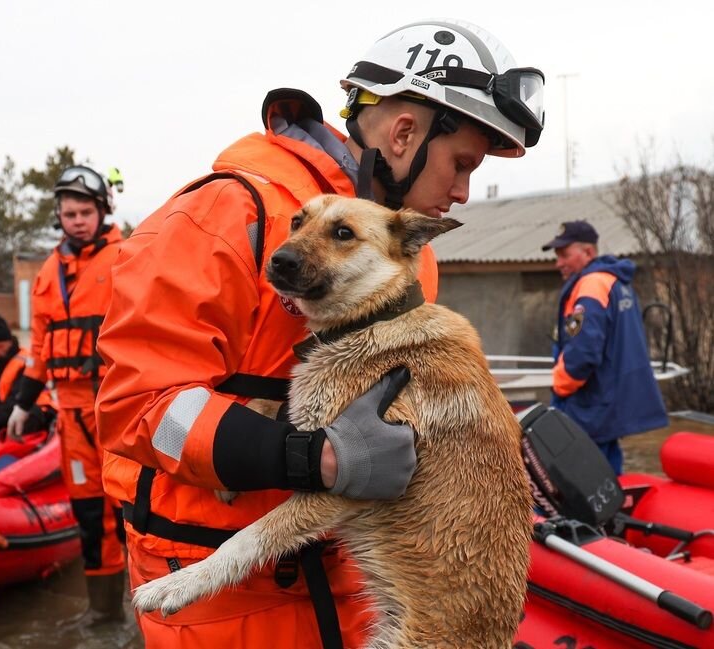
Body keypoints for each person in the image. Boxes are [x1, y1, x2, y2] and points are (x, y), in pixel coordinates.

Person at [95, 19, 545, 649]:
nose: (464, 192)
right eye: (461, 163)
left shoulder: (404, 251)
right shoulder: (227, 212)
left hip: (351, 584)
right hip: (224, 596)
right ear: (406, 132)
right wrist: (309, 458)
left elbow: (393, 423)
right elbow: (135, 406)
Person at [7, 165, 127, 628]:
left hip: (117, 408)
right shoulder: (46, 273)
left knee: (129, 510)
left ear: (102, 212)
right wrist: (23, 401)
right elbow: (39, 348)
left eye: (85, 212)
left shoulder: (127, 257)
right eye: (68, 213)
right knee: (88, 512)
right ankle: (102, 611)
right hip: (71, 413)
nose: (76, 220)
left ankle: (149, 606)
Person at [542, 220, 668, 475]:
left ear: (587, 252)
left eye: (564, 255)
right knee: (608, 474)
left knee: (573, 477)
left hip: (589, 404)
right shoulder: (618, 282)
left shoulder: (591, 285)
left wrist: (560, 385)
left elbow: (584, 352)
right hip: (609, 402)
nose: (559, 263)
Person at [0, 314, 55, 475]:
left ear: (9, 342)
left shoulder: (25, 362)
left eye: (0, 346)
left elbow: (17, 402)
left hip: (24, 413)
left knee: (29, 416)